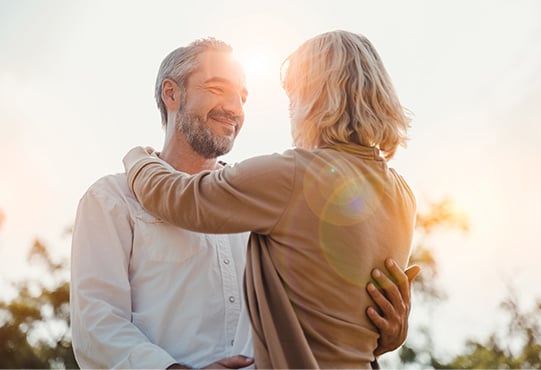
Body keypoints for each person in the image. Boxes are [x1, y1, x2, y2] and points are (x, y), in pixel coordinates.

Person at [71, 37, 417, 370]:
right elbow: (96, 325)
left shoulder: (274, 193)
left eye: (243, 97)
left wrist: (388, 330)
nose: (234, 108)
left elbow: (321, 307)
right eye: (217, 89)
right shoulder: (110, 199)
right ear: (172, 93)